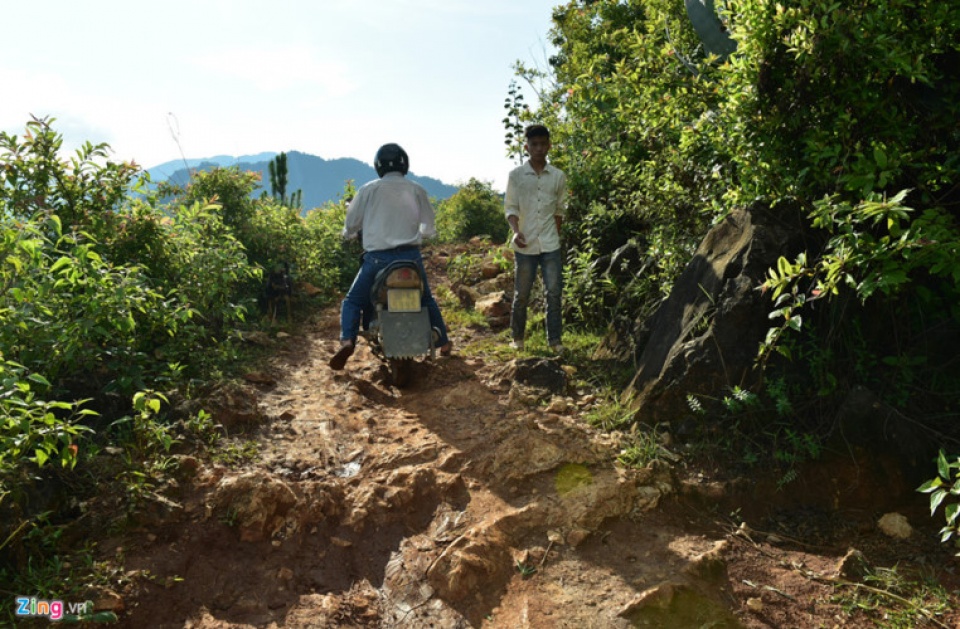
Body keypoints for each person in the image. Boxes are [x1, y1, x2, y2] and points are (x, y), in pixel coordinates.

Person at [329, 143, 451, 370]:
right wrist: (419, 234)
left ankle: (347, 341)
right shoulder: (416, 189)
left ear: (378, 166)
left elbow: (351, 224)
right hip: (410, 258)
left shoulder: (368, 189)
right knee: (426, 299)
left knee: (353, 300)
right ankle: (443, 343)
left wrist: (348, 234)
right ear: (405, 164)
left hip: (377, 260)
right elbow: (429, 227)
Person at [504, 124, 568, 353]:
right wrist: (515, 230)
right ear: (526, 147)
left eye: (543, 144)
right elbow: (510, 208)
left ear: (549, 145)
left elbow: (559, 211)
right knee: (522, 293)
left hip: (550, 244)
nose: (539, 148)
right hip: (525, 245)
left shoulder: (558, 176)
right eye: (534, 144)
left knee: (554, 293)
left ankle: (555, 341)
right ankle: (517, 338)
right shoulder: (517, 176)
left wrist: (555, 236)